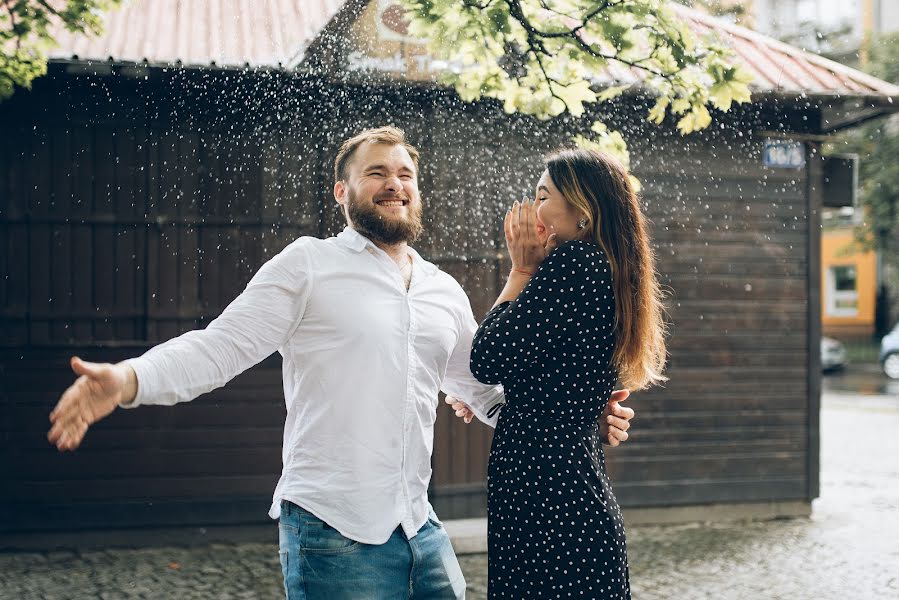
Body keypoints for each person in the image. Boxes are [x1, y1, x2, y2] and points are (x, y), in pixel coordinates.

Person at [47, 127, 635, 599]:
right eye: (375, 172)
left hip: (420, 531)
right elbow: (219, 346)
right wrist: (128, 380)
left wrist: (580, 414)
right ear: (342, 191)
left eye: (405, 173)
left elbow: (483, 391)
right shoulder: (308, 266)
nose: (393, 184)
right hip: (333, 532)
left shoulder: (441, 289)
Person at [466, 148, 667, 599]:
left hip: (549, 502)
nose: (531, 209)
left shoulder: (574, 264)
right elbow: (547, 375)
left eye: (542, 196)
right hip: (560, 493)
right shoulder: (603, 268)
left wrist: (519, 269)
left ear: (582, 211)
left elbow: (488, 357)